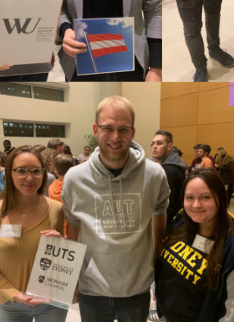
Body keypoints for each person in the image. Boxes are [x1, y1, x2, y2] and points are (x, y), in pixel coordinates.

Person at [61, 97, 169, 322]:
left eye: (123, 129)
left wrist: (156, 265)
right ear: (95, 129)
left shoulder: (154, 174)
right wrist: (70, 276)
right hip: (92, 288)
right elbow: (73, 225)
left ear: (133, 131)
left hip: (136, 287)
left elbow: (160, 213)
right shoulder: (75, 178)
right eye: (107, 128)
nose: (115, 137)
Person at [153, 169, 234, 322]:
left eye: (205, 197)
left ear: (220, 199)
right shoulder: (182, 219)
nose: (196, 205)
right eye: (189, 197)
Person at [0, 146, 68, 322]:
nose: (29, 178)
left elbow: (60, 260)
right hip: (11, 304)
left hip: (52, 303)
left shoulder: (56, 209)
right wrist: (14, 294)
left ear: (44, 173)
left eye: (36, 171)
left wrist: (62, 244)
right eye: (21, 171)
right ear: (9, 173)